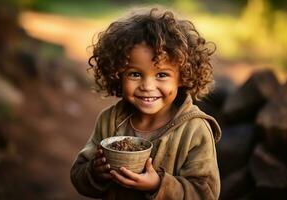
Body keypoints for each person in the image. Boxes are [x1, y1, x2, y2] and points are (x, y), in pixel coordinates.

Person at [71, 6, 221, 200]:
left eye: (162, 74)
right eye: (135, 74)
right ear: (118, 74)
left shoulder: (194, 130)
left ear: (182, 76)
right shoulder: (110, 120)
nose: (147, 86)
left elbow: (205, 194)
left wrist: (158, 185)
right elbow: (78, 175)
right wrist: (95, 173)